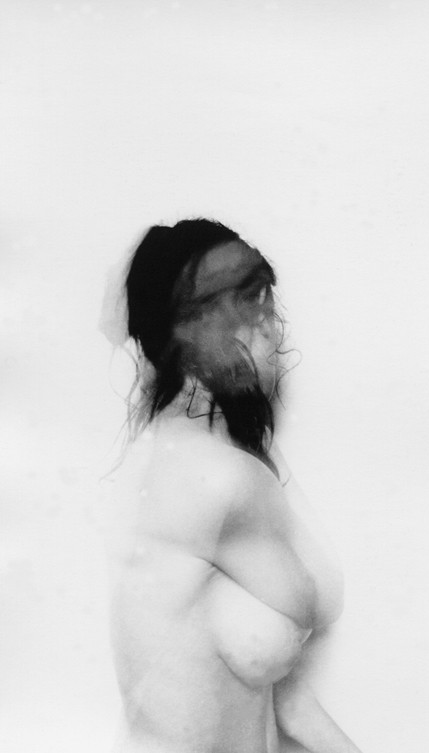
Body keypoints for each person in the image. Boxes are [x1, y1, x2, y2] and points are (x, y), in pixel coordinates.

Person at [103, 219, 362, 753]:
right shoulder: (216, 478)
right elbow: (315, 602)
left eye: (261, 293)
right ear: (180, 331)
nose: (266, 322)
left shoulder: (209, 456)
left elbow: (291, 704)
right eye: (240, 300)